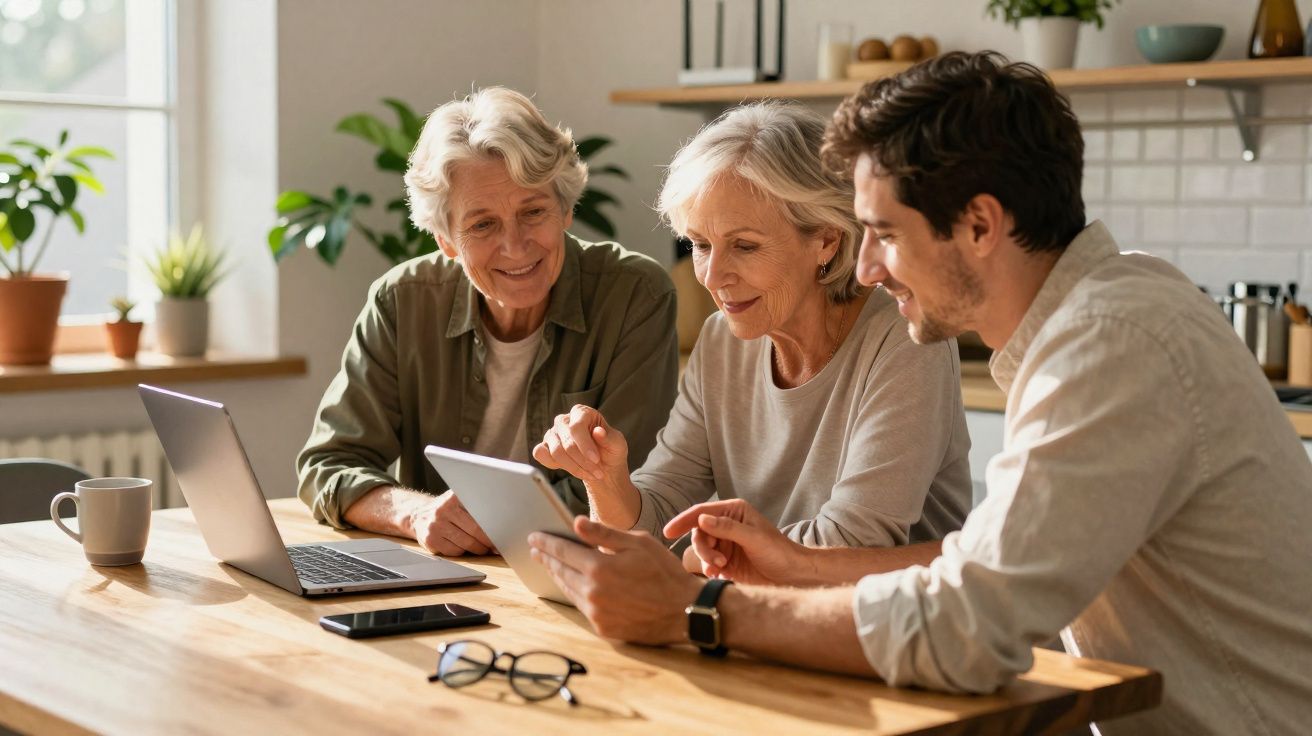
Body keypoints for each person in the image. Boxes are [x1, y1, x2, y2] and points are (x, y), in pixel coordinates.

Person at [527, 52, 1312, 734]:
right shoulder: (1096, 320)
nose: (866, 267)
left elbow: (967, 627)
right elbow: (981, 566)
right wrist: (792, 564)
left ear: (980, 226)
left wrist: (694, 611)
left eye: (886, 233)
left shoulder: (1110, 345)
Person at [533, 103, 971, 560]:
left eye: (744, 246)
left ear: (826, 240)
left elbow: (854, 541)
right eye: (700, 244)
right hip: (756, 597)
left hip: (890, 605)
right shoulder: (720, 340)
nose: (713, 276)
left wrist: (712, 556)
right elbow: (654, 520)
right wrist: (605, 478)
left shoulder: (905, 339)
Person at [298, 87, 679, 556]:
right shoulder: (402, 301)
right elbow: (329, 465)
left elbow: (632, 492)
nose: (515, 247)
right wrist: (415, 513)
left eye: (533, 212)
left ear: (565, 209)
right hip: (441, 574)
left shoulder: (636, 297)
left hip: (574, 570)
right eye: (482, 225)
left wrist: (487, 523)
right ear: (445, 239)